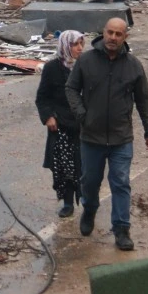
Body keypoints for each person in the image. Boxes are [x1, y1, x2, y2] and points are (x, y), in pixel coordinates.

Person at [65, 18, 148, 251]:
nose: (113, 38)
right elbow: (71, 88)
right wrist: (81, 113)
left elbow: (143, 100)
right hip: (91, 137)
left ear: (125, 37)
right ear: (103, 33)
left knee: (121, 183)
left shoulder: (134, 65)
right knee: (90, 181)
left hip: (121, 138)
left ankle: (122, 228)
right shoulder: (86, 61)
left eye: (118, 34)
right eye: (110, 33)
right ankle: (90, 210)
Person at [35, 30, 85, 218]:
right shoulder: (52, 68)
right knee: (64, 166)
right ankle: (68, 202)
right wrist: (48, 117)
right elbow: (42, 97)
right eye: (75, 44)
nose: (79, 48)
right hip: (62, 125)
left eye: (81, 43)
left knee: (85, 165)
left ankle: (88, 202)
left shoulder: (85, 66)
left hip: (83, 124)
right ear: (65, 46)